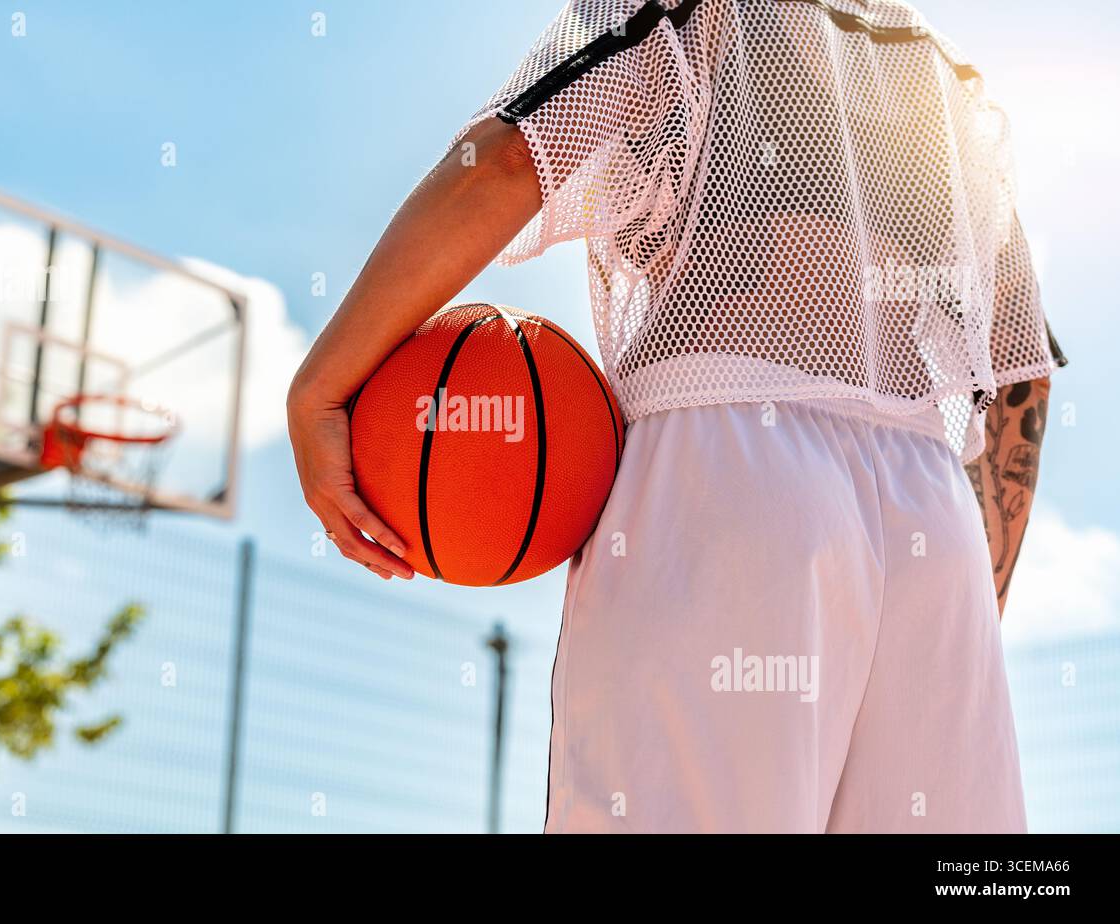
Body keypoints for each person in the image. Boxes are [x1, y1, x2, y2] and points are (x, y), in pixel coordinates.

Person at [288, 0, 1067, 832]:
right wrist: (943, 620)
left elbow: (511, 162)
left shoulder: (698, 10)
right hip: (935, 516)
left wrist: (319, 390)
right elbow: (1022, 382)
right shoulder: (949, 87)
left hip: (734, 458)